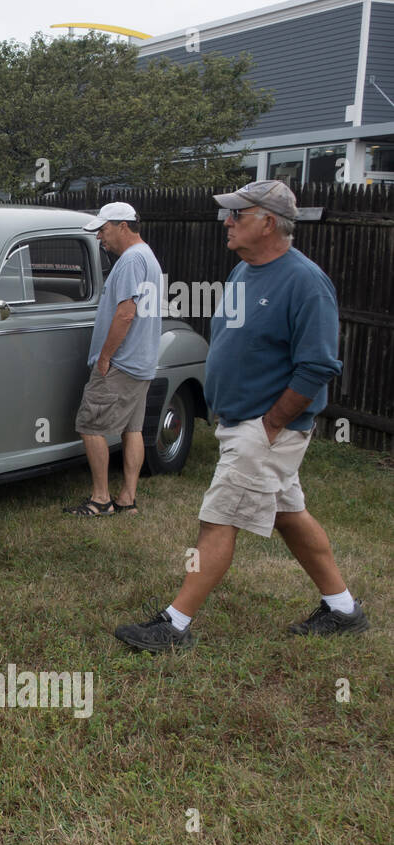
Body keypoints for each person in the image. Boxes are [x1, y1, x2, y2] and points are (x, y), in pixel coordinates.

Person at [116, 180, 367, 651]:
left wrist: (271, 424)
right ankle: (343, 609)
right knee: (290, 516)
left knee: (217, 520)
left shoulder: (306, 283)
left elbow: (318, 364)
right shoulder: (244, 271)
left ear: (268, 222)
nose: (226, 223)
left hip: (265, 428)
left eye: (237, 215)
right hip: (242, 423)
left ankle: (174, 625)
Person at [63, 201, 163, 516]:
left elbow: (126, 312)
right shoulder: (147, 256)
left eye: (103, 230)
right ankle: (127, 499)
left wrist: (105, 357)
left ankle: (100, 499)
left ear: (122, 226)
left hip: (122, 362)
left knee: (89, 424)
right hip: (142, 361)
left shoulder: (132, 259)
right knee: (132, 429)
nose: (99, 238)